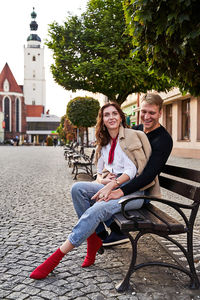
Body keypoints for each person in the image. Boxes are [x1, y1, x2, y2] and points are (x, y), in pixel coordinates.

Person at [29, 102, 156, 280]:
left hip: (134, 191)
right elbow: (99, 173)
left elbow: (133, 170)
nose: (111, 117)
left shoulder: (132, 136)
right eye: (106, 115)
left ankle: (55, 258)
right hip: (112, 184)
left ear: (121, 117)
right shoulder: (103, 143)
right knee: (77, 189)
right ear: (102, 120)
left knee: (98, 208)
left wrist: (112, 185)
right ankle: (94, 237)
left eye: (114, 114)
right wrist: (104, 180)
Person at [92, 93, 173, 246]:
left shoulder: (163, 139)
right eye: (143, 111)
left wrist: (118, 190)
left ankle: (115, 231)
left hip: (143, 191)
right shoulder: (135, 131)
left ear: (160, 113)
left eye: (152, 112)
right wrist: (108, 175)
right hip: (124, 182)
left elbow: (147, 176)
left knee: (98, 201)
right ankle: (105, 232)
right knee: (85, 193)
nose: (147, 116)